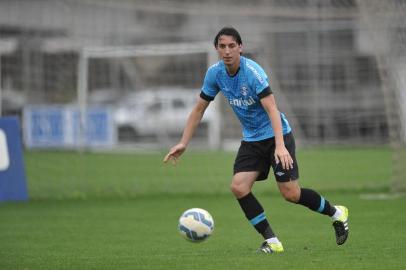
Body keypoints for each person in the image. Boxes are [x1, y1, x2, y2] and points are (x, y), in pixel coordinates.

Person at [163, 26, 349, 253]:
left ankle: (336, 213)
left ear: (240, 47)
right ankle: (272, 241)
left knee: (291, 194)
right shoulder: (215, 73)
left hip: (276, 135)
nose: (227, 51)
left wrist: (280, 147)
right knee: (239, 187)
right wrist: (184, 142)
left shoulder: (252, 72)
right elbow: (199, 109)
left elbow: (272, 110)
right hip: (252, 140)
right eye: (222, 46)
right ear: (217, 49)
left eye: (232, 46)